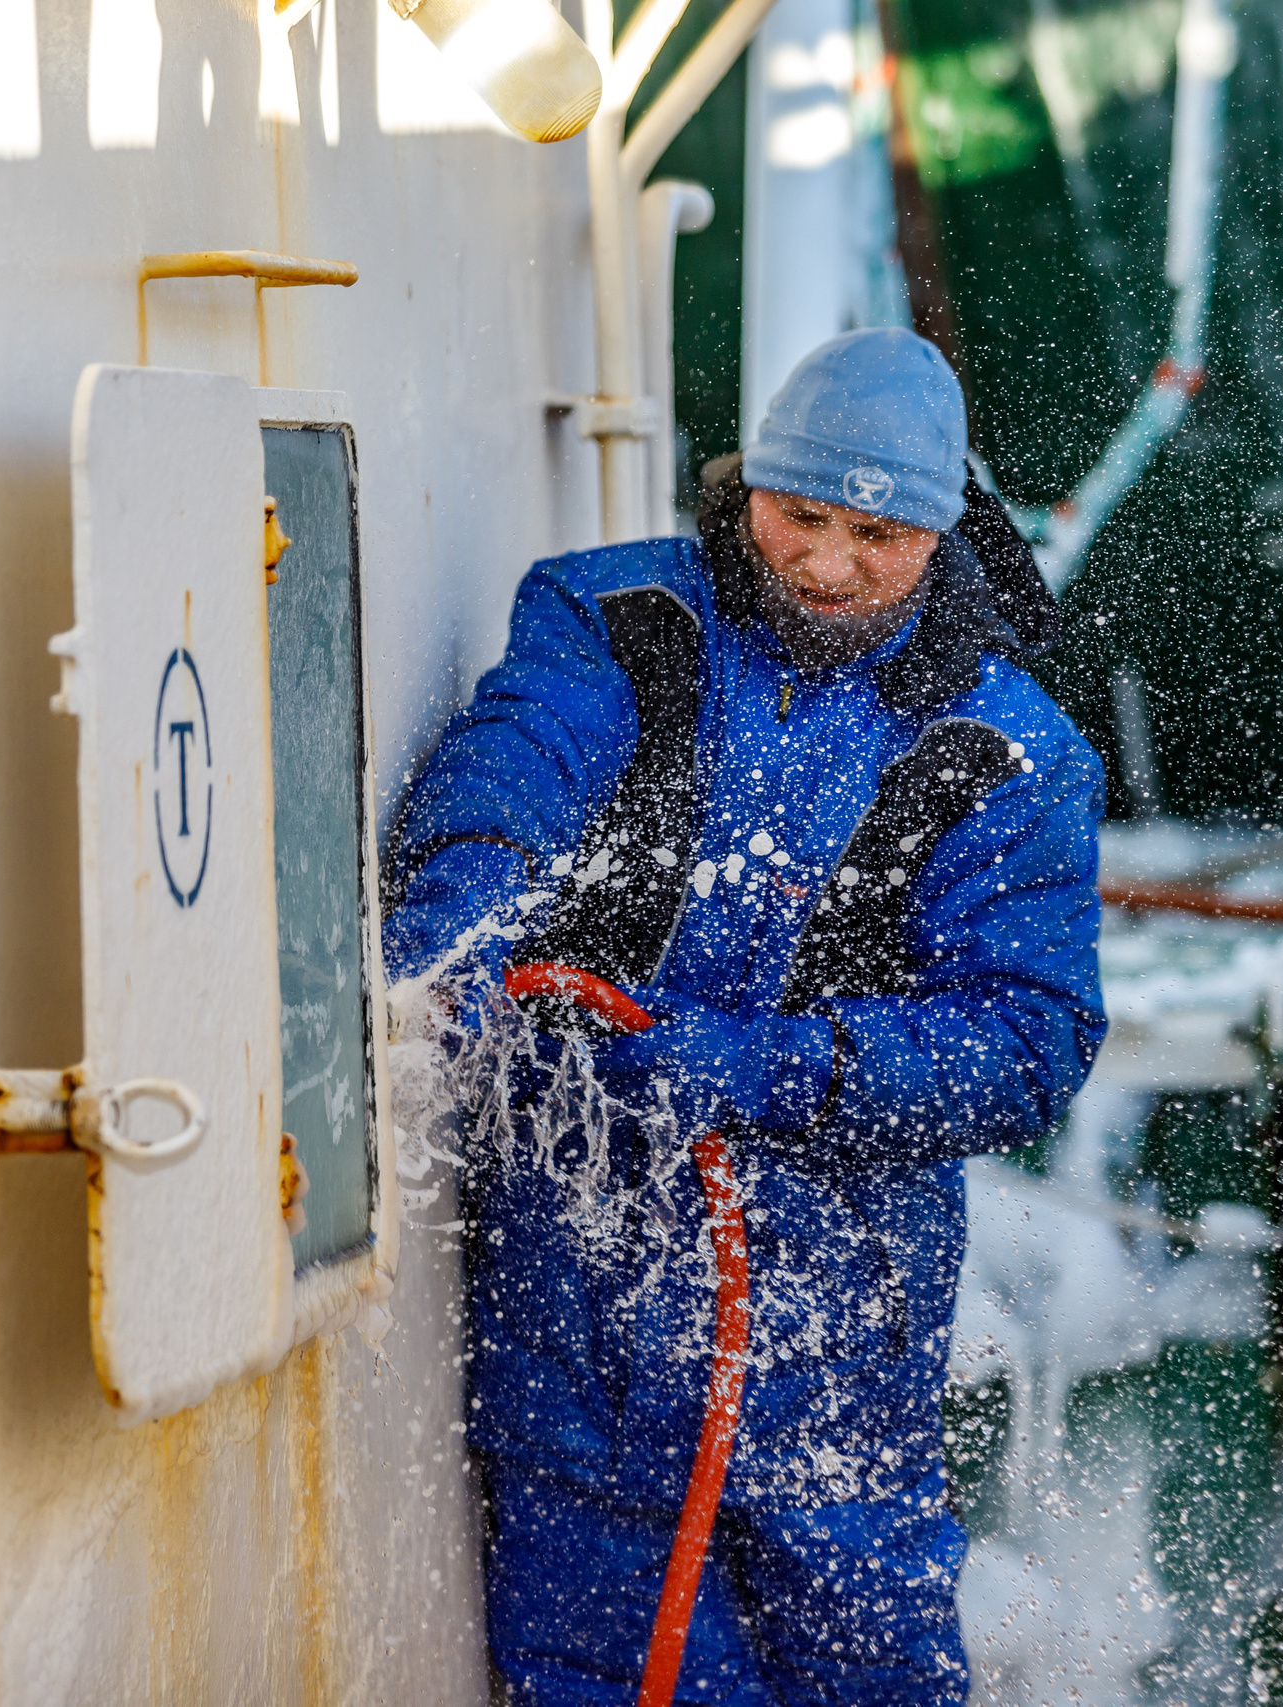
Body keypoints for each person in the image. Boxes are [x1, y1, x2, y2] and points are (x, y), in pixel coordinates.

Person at [383, 328, 1105, 1705]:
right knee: (598, 1662)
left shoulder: (1016, 751)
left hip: (842, 1327)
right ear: (746, 491)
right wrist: (459, 918)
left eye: (878, 535)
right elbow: (511, 764)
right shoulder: (610, 618)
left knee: (865, 1666)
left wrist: (768, 1071)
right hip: (575, 1296)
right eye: (800, 517)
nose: (828, 567)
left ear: (945, 535)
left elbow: (1029, 1040)